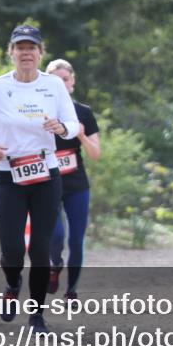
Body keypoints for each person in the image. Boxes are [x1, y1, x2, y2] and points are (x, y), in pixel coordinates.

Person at [0, 25, 80, 334]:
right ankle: (12, 282)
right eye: (21, 48)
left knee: (41, 249)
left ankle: (37, 315)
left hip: (46, 174)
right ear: (12, 53)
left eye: (32, 48)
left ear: (40, 53)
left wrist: (61, 128)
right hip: (8, 174)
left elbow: (73, 124)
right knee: (13, 248)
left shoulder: (54, 86)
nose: (27, 53)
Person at [44, 59, 101, 300]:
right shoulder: (40, 112)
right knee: (56, 236)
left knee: (76, 240)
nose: (61, 84)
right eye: (55, 80)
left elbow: (95, 154)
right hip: (47, 183)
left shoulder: (84, 113)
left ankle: (72, 291)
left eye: (65, 79)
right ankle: (55, 264)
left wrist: (81, 135)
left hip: (76, 184)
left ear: (72, 82)